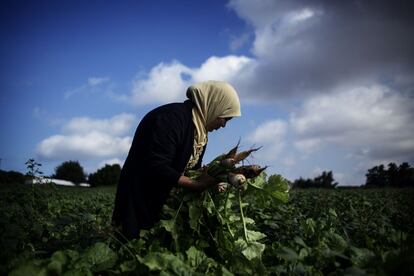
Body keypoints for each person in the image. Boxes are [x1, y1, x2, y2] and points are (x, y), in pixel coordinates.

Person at [112, 80, 242, 240]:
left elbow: (189, 170)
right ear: (215, 106)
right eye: (225, 119)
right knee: (131, 248)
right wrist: (196, 184)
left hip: (161, 205)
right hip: (139, 200)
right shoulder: (172, 118)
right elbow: (156, 165)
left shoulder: (200, 133)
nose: (223, 125)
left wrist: (211, 179)